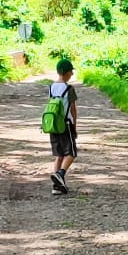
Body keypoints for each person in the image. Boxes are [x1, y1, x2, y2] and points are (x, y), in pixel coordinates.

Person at [44, 57, 78, 193]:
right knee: (71, 153)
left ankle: (57, 186)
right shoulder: (69, 88)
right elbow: (73, 109)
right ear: (67, 73)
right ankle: (60, 174)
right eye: (71, 72)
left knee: (59, 155)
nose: (72, 74)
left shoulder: (51, 87)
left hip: (53, 125)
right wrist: (75, 125)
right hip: (66, 125)